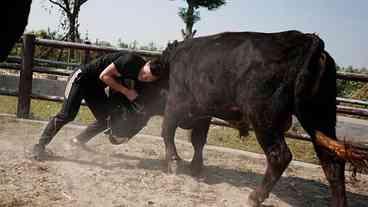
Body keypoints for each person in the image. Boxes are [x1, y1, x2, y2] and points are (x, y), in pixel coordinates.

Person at [32, 52, 163, 160]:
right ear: (146, 63)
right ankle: (39, 146)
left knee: (106, 120)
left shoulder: (142, 79)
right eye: (143, 74)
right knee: (67, 114)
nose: (142, 77)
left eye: (147, 79)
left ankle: (77, 142)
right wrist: (127, 92)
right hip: (81, 78)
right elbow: (104, 76)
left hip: (95, 87)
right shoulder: (129, 60)